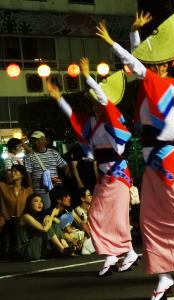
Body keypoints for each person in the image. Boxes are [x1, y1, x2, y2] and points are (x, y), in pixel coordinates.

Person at [96, 11, 174, 299]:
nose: (152, 66)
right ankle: (164, 275)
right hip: (153, 161)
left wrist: (115, 42)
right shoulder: (155, 86)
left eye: (157, 63)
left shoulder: (168, 86)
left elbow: (137, 65)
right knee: (150, 219)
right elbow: (141, 65)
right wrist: (135, 35)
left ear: (163, 66)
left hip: (167, 160)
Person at [46, 57, 138, 276]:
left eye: (98, 101)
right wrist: (59, 98)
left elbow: (105, 101)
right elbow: (72, 116)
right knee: (98, 215)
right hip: (105, 176)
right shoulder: (92, 122)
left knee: (111, 216)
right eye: (93, 102)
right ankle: (120, 253)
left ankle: (118, 253)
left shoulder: (113, 117)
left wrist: (88, 76)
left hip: (117, 173)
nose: (95, 105)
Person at [24, 131, 69, 209]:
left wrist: (62, 180)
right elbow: (28, 175)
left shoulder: (54, 153)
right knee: (46, 211)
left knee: (58, 211)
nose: (36, 142)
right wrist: (32, 191)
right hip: (40, 191)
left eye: (39, 140)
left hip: (56, 190)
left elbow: (65, 166)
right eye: (34, 140)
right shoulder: (29, 157)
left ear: (44, 140)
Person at [16, 194, 67, 260]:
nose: (39, 203)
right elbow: (44, 229)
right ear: (29, 204)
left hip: (36, 248)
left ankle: (65, 247)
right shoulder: (26, 216)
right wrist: (52, 214)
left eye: (41, 201)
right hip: (27, 251)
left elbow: (58, 222)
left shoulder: (38, 216)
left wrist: (48, 217)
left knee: (52, 224)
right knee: (47, 227)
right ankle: (62, 249)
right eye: (36, 201)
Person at [0, 165, 33, 258]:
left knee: (18, 223)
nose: (12, 173)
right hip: (7, 220)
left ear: (22, 175)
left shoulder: (28, 190)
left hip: (23, 221)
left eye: (15, 171)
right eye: (11, 171)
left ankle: (19, 249)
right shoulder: (3, 187)